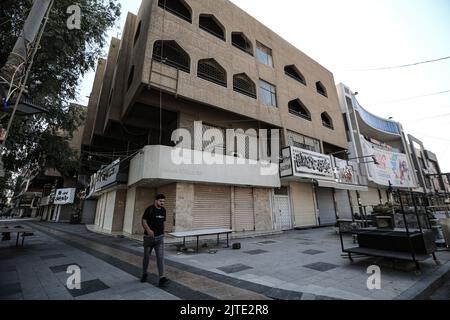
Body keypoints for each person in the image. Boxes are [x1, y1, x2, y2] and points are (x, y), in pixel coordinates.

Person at [141, 194, 169, 287]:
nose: (162, 203)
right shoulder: (150, 209)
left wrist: (163, 232)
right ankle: (144, 273)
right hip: (149, 238)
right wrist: (148, 230)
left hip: (159, 238)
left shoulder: (163, 210)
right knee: (146, 257)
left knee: (160, 258)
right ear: (156, 201)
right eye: (161, 201)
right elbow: (144, 221)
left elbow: (163, 222)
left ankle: (162, 278)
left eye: (163, 201)